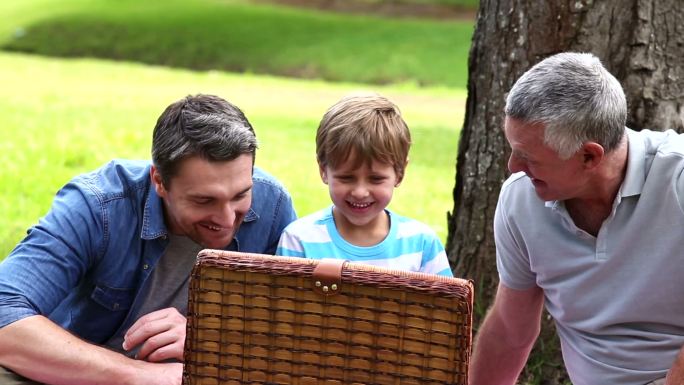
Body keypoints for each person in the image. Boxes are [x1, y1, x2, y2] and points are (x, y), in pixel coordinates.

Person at [0, 94, 297, 385]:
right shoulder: (98, 206)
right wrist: (137, 376)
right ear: (159, 181)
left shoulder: (273, 207)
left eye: (240, 195)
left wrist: (210, 339)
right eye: (204, 200)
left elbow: (300, 327)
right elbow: (5, 312)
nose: (227, 219)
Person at [469, 52, 684, 385]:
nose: (513, 166)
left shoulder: (679, 181)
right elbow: (510, 330)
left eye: (527, 156)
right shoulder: (520, 200)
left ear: (589, 156)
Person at [276, 93, 452, 277]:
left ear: (399, 173)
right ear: (323, 170)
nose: (360, 192)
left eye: (376, 179)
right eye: (346, 178)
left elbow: (443, 305)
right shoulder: (299, 240)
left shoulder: (421, 245)